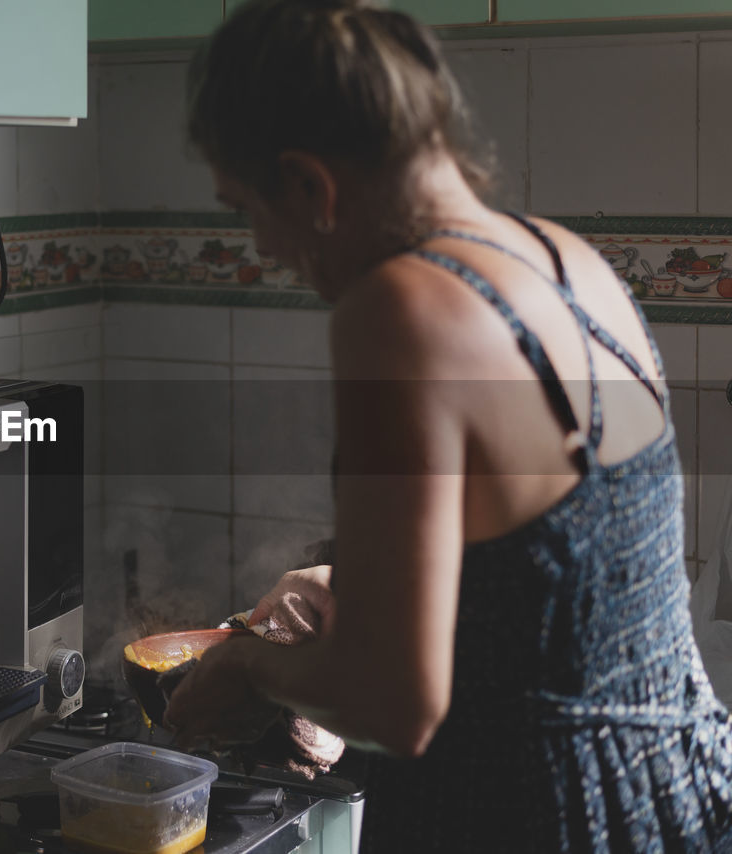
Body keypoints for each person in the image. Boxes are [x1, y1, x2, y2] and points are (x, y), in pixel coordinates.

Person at [162, 0, 732, 850]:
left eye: (246, 209)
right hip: (673, 793)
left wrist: (246, 665)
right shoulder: (566, 260)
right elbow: (556, 570)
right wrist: (347, 584)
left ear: (311, 186)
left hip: (533, 816)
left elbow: (397, 705)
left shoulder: (399, 308)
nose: (262, 247)